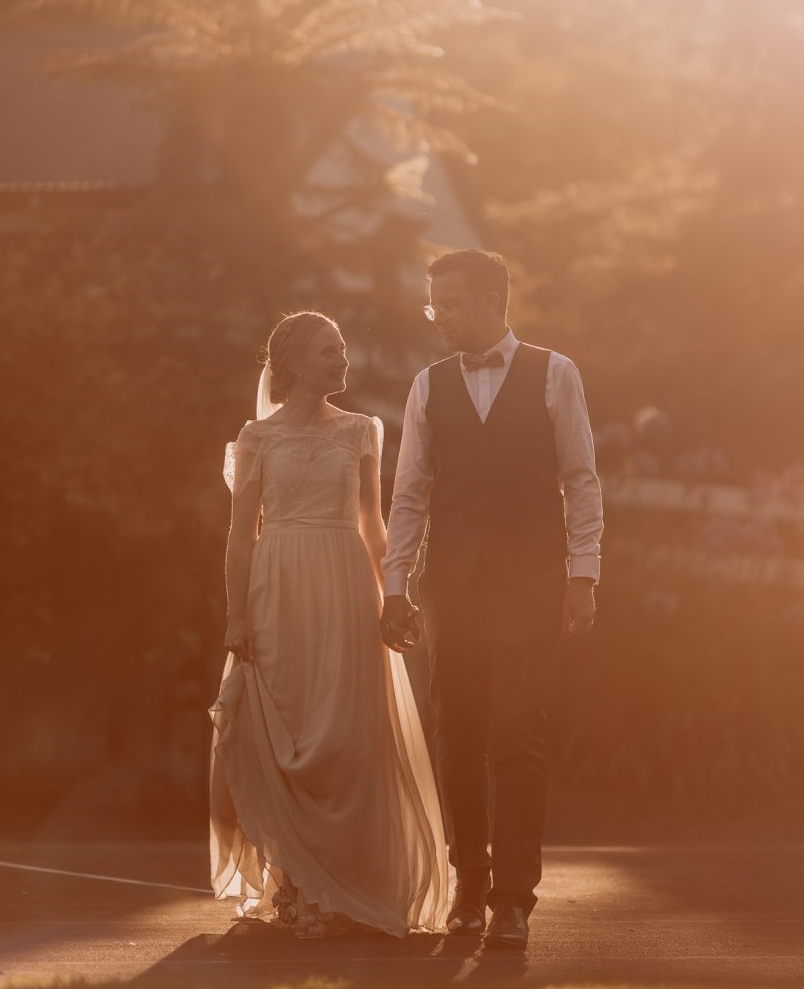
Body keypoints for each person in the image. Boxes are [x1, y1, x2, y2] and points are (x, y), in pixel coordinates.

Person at [380, 250, 603, 951]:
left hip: (533, 579)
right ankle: (467, 887)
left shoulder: (553, 373)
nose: (436, 316)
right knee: (458, 734)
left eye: (447, 303)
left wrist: (583, 576)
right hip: (450, 583)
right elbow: (410, 492)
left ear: (487, 300)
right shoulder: (427, 386)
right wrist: (395, 585)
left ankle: (514, 898)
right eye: (432, 304)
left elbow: (581, 477)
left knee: (518, 731)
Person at [208, 310, 449, 939]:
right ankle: (295, 886)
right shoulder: (256, 438)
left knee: (345, 734)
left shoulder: (361, 432)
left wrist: (395, 594)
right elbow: (240, 536)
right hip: (278, 585)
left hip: (346, 586)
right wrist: (236, 613)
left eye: (342, 347)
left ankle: (350, 884)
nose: (343, 358)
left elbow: (373, 523)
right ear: (292, 364)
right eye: (328, 350)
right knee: (286, 727)